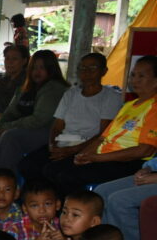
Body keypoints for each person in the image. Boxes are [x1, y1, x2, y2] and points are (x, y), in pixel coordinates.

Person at [44, 56, 157, 193]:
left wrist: (97, 158)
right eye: (133, 75)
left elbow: (145, 150)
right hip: (104, 155)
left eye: (141, 76)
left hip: (128, 162)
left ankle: (79, 206)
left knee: (67, 176)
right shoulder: (129, 105)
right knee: (51, 169)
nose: (134, 80)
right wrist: (84, 155)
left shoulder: (154, 107)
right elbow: (103, 138)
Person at [16, 53, 122, 183]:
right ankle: (38, 195)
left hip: (87, 146)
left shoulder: (111, 97)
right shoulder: (71, 94)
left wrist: (72, 150)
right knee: (27, 165)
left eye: (92, 68)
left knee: (53, 171)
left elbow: (103, 134)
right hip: (63, 142)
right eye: (82, 68)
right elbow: (57, 126)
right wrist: (53, 146)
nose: (87, 72)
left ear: (104, 71)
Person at [0, 49, 68, 171]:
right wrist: (1, 124)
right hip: (22, 125)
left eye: (41, 68)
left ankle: (2, 176)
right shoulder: (27, 87)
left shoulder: (54, 88)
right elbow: (10, 111)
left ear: (51, 69)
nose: (37, 72)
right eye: (34, 68)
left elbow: (39, 120)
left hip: (48, 131)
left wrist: (8, 126)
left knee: (10, 136)